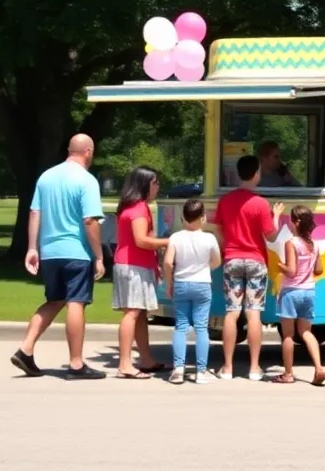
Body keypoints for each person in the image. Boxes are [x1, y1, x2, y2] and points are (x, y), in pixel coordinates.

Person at [10, 134, 107, 379]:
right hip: (76, 251)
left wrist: (32, 248)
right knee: (76, 302)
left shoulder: (46, 176)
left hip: (50, 251)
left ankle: (26, 348)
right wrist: (99, 256)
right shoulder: (87, 180)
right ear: (88, 151)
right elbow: (90, 221)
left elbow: (34, 212)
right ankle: (76, 364)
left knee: (55, 300)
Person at [211, 154, 285, 380]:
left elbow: (218, 230)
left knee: (232, 313)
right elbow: (271, 236)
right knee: (254, 314)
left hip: (232, 259)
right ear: (256, 174)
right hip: (256, 261)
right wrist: (277, 217)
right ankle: (254, 368)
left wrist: (225, 251)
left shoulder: (225, 201)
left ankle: (228, 367)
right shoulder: (261, 203)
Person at [112, 166, 169, 379]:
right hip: (132, 266)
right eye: (155, 183)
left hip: (137, 265)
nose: (157, 187)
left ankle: (145, 358)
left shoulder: (135, 207)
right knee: (133, 312)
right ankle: (125, 364)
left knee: (140, 313)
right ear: (144, 184)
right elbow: (142, 241)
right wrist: (170, 241)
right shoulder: (138, 209)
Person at [164, 198, 221, 385]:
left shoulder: (175, 237)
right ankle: (201, 371)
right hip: (202, 284)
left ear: (183, 217)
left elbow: (167, 262)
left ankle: (178, 369)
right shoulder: (209, 238)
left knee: (181, 326)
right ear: (203, 218)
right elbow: (217, 261)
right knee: (201, 327)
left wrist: (169, 283)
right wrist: (206, 268)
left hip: (181, 282)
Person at [271, 205, 325, 386]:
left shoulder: (292, 243)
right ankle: (319, 368)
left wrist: (280, 265)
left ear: (295, 222)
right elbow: (319, 270)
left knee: (288, 335)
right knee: (306, 332)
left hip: (291, 292)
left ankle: (288, 374)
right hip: (309, 292)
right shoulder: (314, 244)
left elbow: (291, 271)